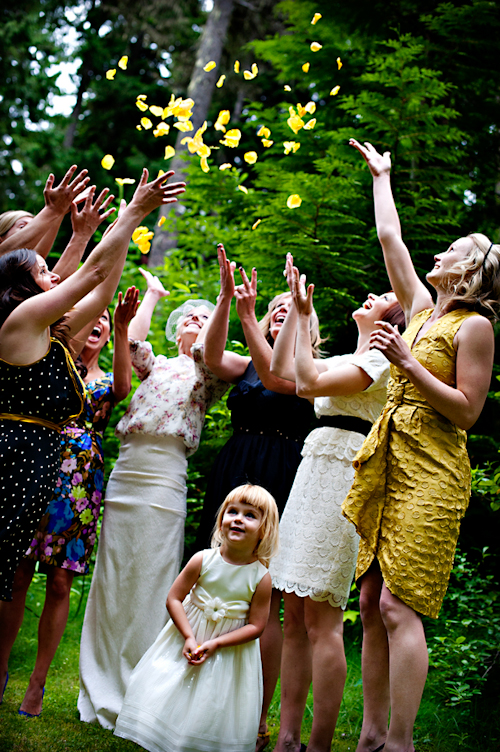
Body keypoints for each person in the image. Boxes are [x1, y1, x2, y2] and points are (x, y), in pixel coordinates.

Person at [342, 139, 500, 752]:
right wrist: (381, 177)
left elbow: (467, 411)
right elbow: (392, 241)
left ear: (469, 270)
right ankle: (370, 736)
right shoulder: (421, 308)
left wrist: (408, 363)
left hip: (434, 470)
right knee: (371, 599)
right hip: (388, 459)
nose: (437, 253)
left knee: (401, 606)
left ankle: (402, 742)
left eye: (451, 250)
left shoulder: (474, 326)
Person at [0, 166, 185, 688]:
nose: (54, 272)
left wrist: (89, 234)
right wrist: (135, 213)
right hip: (14, 455)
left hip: (36, 457)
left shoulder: (41, 331)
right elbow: (88, 277)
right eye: (43, 268)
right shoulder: (19, 325)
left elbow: (98, 292)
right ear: (22, 284)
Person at [78, 269, 230, 730]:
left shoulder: (212, 372)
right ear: (176, 327)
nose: (198, 322)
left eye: (206, 318)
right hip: (127, 472)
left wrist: (220, 303)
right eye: (191, 318)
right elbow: (129, 341)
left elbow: (213, 347)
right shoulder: (157, 363)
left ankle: (142, 682)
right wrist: (152, 296)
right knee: (116, 572)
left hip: (167, 476)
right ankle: (98, 678)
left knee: (154, 574)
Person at [269, 254, 404, 752]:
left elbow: (308, 382)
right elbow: (286, 370)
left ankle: (319, 744)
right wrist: (298, 313)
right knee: (293, 614)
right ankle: (287, 739)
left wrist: (303, 320)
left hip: (347, 473)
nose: (374, 295)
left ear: (395, 319)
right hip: (313, 468)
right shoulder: (353, 353)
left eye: (385, 298)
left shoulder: (380, 360)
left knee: (322, 617)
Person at [195, 245, 322, 749]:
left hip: (286, 475)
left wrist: (258, 315)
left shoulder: (315, 367)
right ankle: (201, 696)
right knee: (219, 578)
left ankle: (261, 713)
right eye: (274, 311)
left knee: (268, 594)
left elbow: (282, 378)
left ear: (310, 324)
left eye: (290, 310)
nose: (280, 316)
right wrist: (227, 299)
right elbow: (208, 355)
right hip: (237, 469)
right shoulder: (246, 363)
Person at [0, 289, 138, 718]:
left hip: (80, 487)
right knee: (18, 571)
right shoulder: (53, 358)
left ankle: (38, 682)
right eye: (90, 323)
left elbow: (122, 389)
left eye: (102, 327)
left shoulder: (101, 374)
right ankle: (0, 667)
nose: (94, 329)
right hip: (36, 465)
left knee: (60, 581)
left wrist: (120, 327)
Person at [114, 484, 279, 752]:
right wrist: (189, 636)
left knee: (213, 696)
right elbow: (173, 598)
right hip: (190, 633)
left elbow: (257, 625)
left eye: (250, 515)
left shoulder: (261, 577)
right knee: (172, 681)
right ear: (221, 519)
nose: (237, 518)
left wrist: (217, 644)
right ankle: (161, 731)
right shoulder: (202, 560)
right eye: (232, 511)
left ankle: (199, 740)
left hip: (228, 648)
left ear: (265, 529)